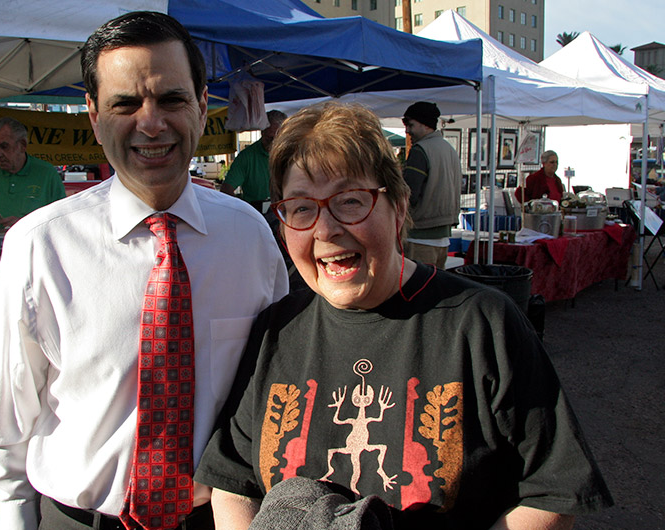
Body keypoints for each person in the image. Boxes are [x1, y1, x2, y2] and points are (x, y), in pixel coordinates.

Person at [194, 103, 613, 529]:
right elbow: (233, 482)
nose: (325, 229)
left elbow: (552, 494)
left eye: (350, 200)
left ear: (398, 207)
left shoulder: (482, 323)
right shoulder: (275, 330)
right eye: (301, 208)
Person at [0, 11, 288, 530]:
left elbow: (276, 385)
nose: (151, 122)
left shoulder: (249, 236)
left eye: (171, 99)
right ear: (94, 115)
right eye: (125, 103)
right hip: (78, 518)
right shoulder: (40, 245)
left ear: (203, 107)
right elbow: (8, 419)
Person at [0, 116, 65, 231]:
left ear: (22, 145)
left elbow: (61, 220)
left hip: (31, 246)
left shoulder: (47, 173)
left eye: (4, 146)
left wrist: (24, 224)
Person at [401, 101, 461, 269]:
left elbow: (409, 194)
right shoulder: (449, 149)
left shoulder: (420, 150)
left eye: (411, 125)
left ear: (425, 124)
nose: (407, 131)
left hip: (419, 236)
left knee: (414, 291)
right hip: (443, 238)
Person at [220, 110, 287, 213]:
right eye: (270, 138)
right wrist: (243, 210)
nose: (274, 143)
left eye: (279, 138)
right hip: (255, 212)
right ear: (262, 132)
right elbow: (226, 190)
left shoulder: (289, 154)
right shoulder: (246, 157)